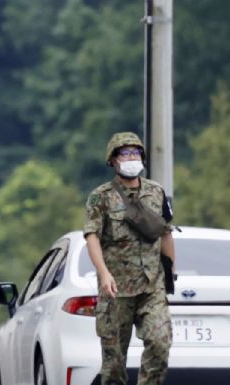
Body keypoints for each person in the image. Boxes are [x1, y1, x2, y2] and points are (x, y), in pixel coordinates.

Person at [84, 132, 175, 385]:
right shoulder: (100, 196)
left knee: (160, 343)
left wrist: (169, 275)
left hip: (151, 286)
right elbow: (91, 236)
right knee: (113, 365)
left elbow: (166, 233)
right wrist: (103, 273)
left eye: (135, 153)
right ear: (113, 160)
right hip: (117, 290)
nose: (131, 158)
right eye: (124, 153)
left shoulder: (156, 192)